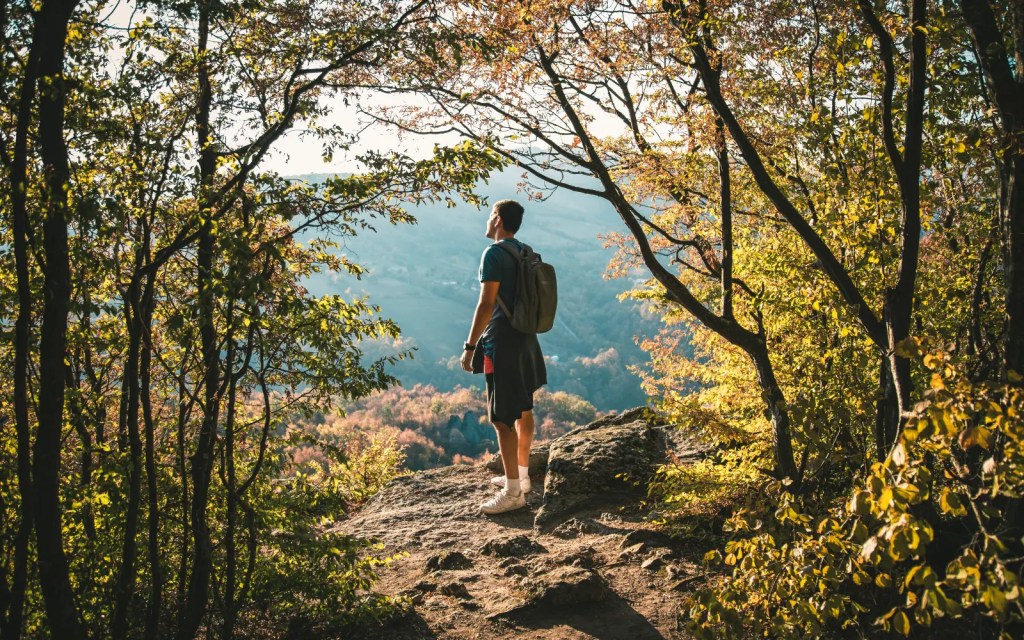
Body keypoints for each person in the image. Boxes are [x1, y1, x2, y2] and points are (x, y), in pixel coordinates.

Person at [460, 199, 547, 515]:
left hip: (503, 343)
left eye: (489, 215)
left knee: (500, 418)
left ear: (497, 219)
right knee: (524, 407)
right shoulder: (524, 250)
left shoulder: (494, 253)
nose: (486, 221)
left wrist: (470, 347)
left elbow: (486, 304)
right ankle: (521, 476)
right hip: (527, 338)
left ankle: (513, 494)